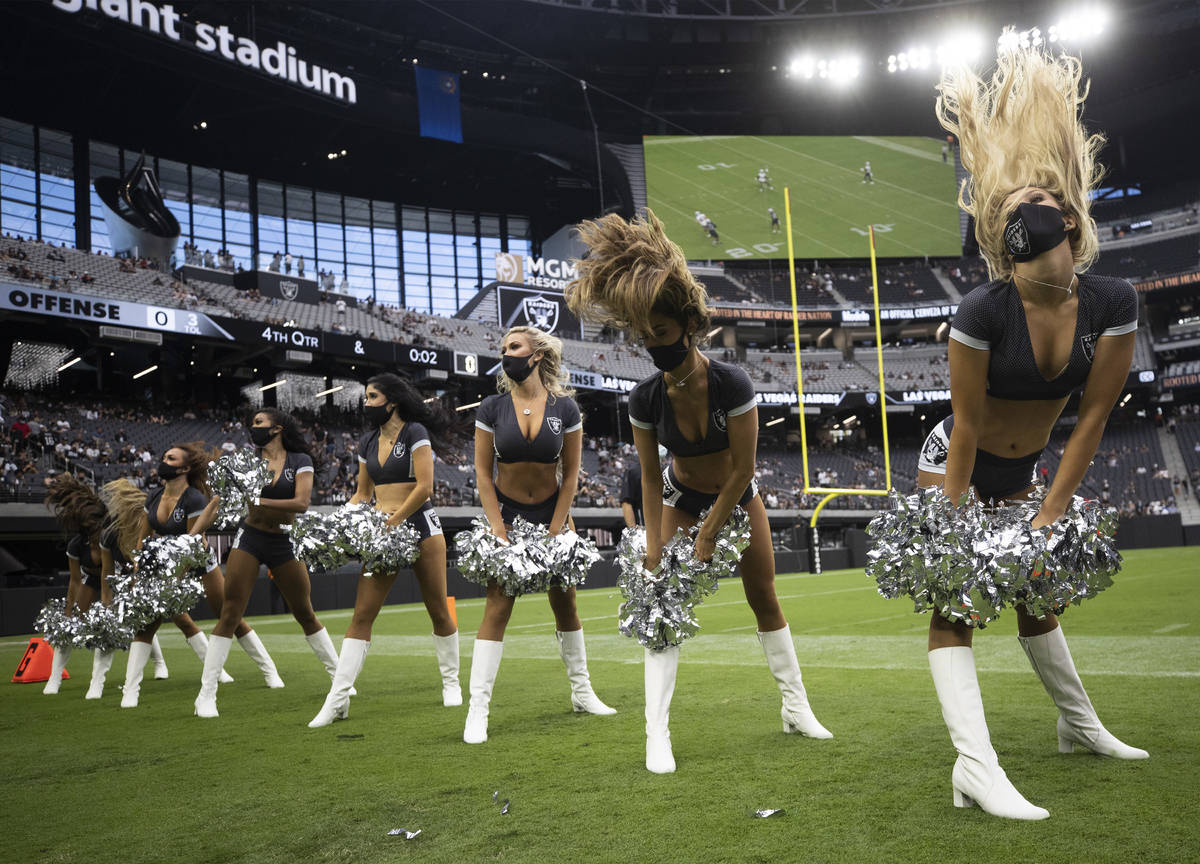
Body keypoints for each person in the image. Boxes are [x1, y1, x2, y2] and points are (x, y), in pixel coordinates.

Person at [914, 40, 1147, 820]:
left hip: (1024, 471)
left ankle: (1079, 728)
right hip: (956, 462)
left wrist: (1048, 515)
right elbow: (969, 423)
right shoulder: (982, 309)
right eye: (1009, 207)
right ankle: (974, 769)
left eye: (1035, 202)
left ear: (1069, 222)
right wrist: (953, 520)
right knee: (958, 604)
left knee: (1037, 595)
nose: (1023, 205)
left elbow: (1091, 420)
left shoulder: (1112, 301)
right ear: (999, 234)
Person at [566, 210, 831, 774]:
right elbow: (645, 474)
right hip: (679, 498)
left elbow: (742, 469)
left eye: (660, 334)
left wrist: (711, 534)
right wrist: (655, 549)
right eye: (644, 337)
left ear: (686, 326)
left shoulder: (731, 382)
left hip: (736, 499)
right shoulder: (644, 399)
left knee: (765, 598)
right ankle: (655, 735)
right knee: (663, 606)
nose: (653, 345)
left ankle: (796, 708)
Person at [463, 326, 615, 744]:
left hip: (553, 515)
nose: (505, 354)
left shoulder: (565, 409)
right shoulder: (492, 407)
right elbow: (481, 471)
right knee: (497, 606)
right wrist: (496, 525)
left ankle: (582, 693)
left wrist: (556, 528)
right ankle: (478, 710)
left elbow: (570, 475)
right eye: (502, 348)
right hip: (508, 516)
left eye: (513, 347)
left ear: (535, 355)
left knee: (566, 605)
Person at [309, 374, 464, 728]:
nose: (366, 403)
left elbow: (425, 487)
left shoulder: (414, 434)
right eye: (366, 397)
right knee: (362, 614)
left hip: (419, 526)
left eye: (372, 396)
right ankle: (338, 700)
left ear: (391, 402)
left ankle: (451, 683)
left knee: (438, 609)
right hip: (382, 532)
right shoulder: (366, 443)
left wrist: (394, 522)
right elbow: (363, 494)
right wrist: (337, 523)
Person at [195, 410, 342, 718]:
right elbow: (217, 503)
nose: (253, 428)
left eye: (259, 423)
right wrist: (192, 535)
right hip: (250, 537)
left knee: (305, 612)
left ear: (276, 428)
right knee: (230, 612)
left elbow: (301, 503)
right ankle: (206, 695)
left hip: (285, 540)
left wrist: (257, 500)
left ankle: (340, 680)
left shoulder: (300, 460)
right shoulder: (245, 462)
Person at [118, 443, 280, 708]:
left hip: (197, 560)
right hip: (164, 563)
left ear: (184, 468)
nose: (163, 460)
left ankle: (269, 670)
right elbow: (143, 540)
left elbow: (193, 543)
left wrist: (173, 580)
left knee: (230, 616)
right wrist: (140, 570)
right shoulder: (154, 496)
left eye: (170, 458)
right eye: (164, 456)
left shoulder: (194, 499)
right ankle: (130, 691)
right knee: (146, 626)